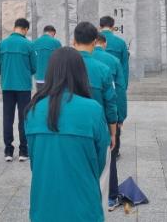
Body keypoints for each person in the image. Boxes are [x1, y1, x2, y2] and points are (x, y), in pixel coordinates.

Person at [25, 47, 110, 222]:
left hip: (43, 206)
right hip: (84, 207)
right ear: (81, 74)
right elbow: (100, 160)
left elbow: (34, 159)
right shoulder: (93, 110)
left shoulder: (33, 110)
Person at [73, 22, 119, 211]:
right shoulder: (102, 69)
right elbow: (111, 104)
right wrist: (113, 132)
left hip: (72, 127)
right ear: (94, 42)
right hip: (98, 127)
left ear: (73, 41)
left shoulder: (65, 68)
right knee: (105, 167)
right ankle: (110, 199)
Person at [93, 33, 127, 210]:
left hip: (82, 118)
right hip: (105, 118)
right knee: (109, 157)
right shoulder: (112, 61)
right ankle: (111, 198)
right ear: (104, 44)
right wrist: (120, 117)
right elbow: (118, 92)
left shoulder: (75, 61)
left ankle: (90, 196)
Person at [0, 18, 37, 162]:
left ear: (15, 27)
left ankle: (8, 150)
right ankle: (23, 151)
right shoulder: (29, 45)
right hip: (23, 86)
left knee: (8, 118)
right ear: (25, 29)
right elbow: (34, 67)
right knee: (23, 118)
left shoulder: (2, 44)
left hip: (7, 85)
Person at [99, 16, 129, 84]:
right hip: (115, 81)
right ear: (113, 27)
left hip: (98, 81)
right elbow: (125, 67)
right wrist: (124, 85)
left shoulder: (93, 42)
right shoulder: (121, 43)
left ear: (100, 27)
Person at [33, 25, 62, 92]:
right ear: (52, 32)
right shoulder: (56, 42)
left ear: (44, 32)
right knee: (52, 98)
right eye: (54, 35)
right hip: (53, 79)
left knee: (41, 97)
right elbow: (61, 61)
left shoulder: (34, 43)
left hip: (39, 78)